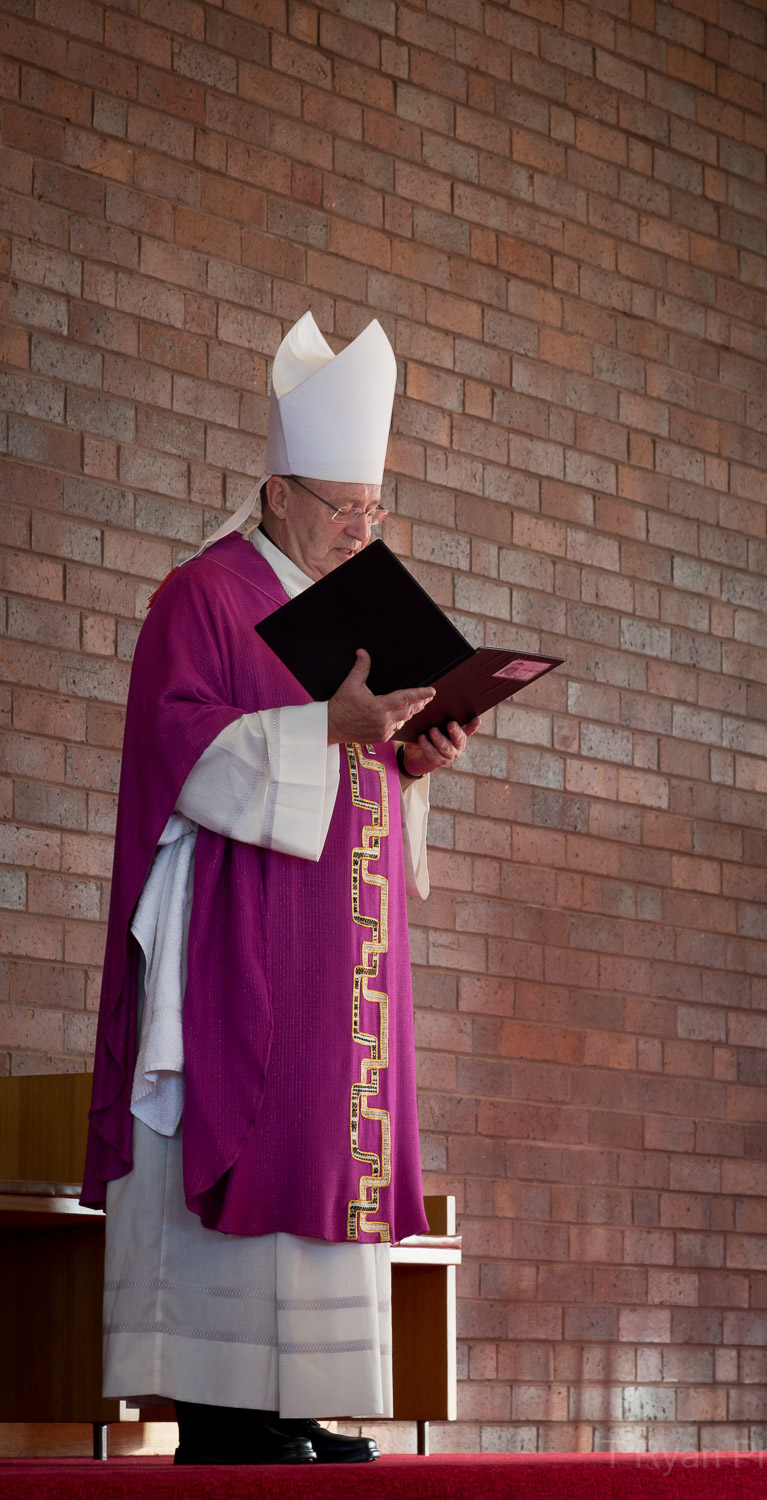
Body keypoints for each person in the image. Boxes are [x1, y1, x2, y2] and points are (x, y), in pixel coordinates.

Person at [82, 313, 477, 1465]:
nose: (362, 529)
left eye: (376, 509)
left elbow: (366, 775)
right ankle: (219, 1411)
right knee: (252, 1120)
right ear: (276, 491)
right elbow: (179, 751)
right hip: (237, 943)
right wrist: (325, 731)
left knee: (327, 1141)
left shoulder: (362, 608)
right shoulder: (201, 596)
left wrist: (411, 762)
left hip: (338, 950)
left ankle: (293, 1401)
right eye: (342, 508)